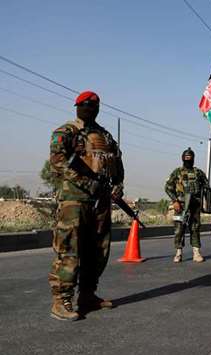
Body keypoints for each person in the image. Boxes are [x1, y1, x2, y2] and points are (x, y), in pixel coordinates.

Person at [48, 91, 124, 321]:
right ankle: (61, 300)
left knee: (98, 250)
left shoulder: (105, 135)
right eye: (86, 105)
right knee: (69, 248)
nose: (91, 108)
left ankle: (88, 295)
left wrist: (117, 185)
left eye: (94, 105)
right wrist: (86, 183)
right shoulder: (66, 131)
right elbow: (58, 163)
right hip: (74, 200)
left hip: (100, 201)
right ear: (77, 106)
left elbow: (116, 164)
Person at [164, 148, 208, 263]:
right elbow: (168, 187)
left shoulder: (198, 173)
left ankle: (196, 252)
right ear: (183, 158)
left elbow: (207, 188)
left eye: (190, 157)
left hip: (195, 205)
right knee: (179, 228)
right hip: (180, 206)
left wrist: (205, 203)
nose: (188, 160)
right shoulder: (177, 172)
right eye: (186, 158)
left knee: (195, 228)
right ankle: (178, 253)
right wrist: (175, 201)